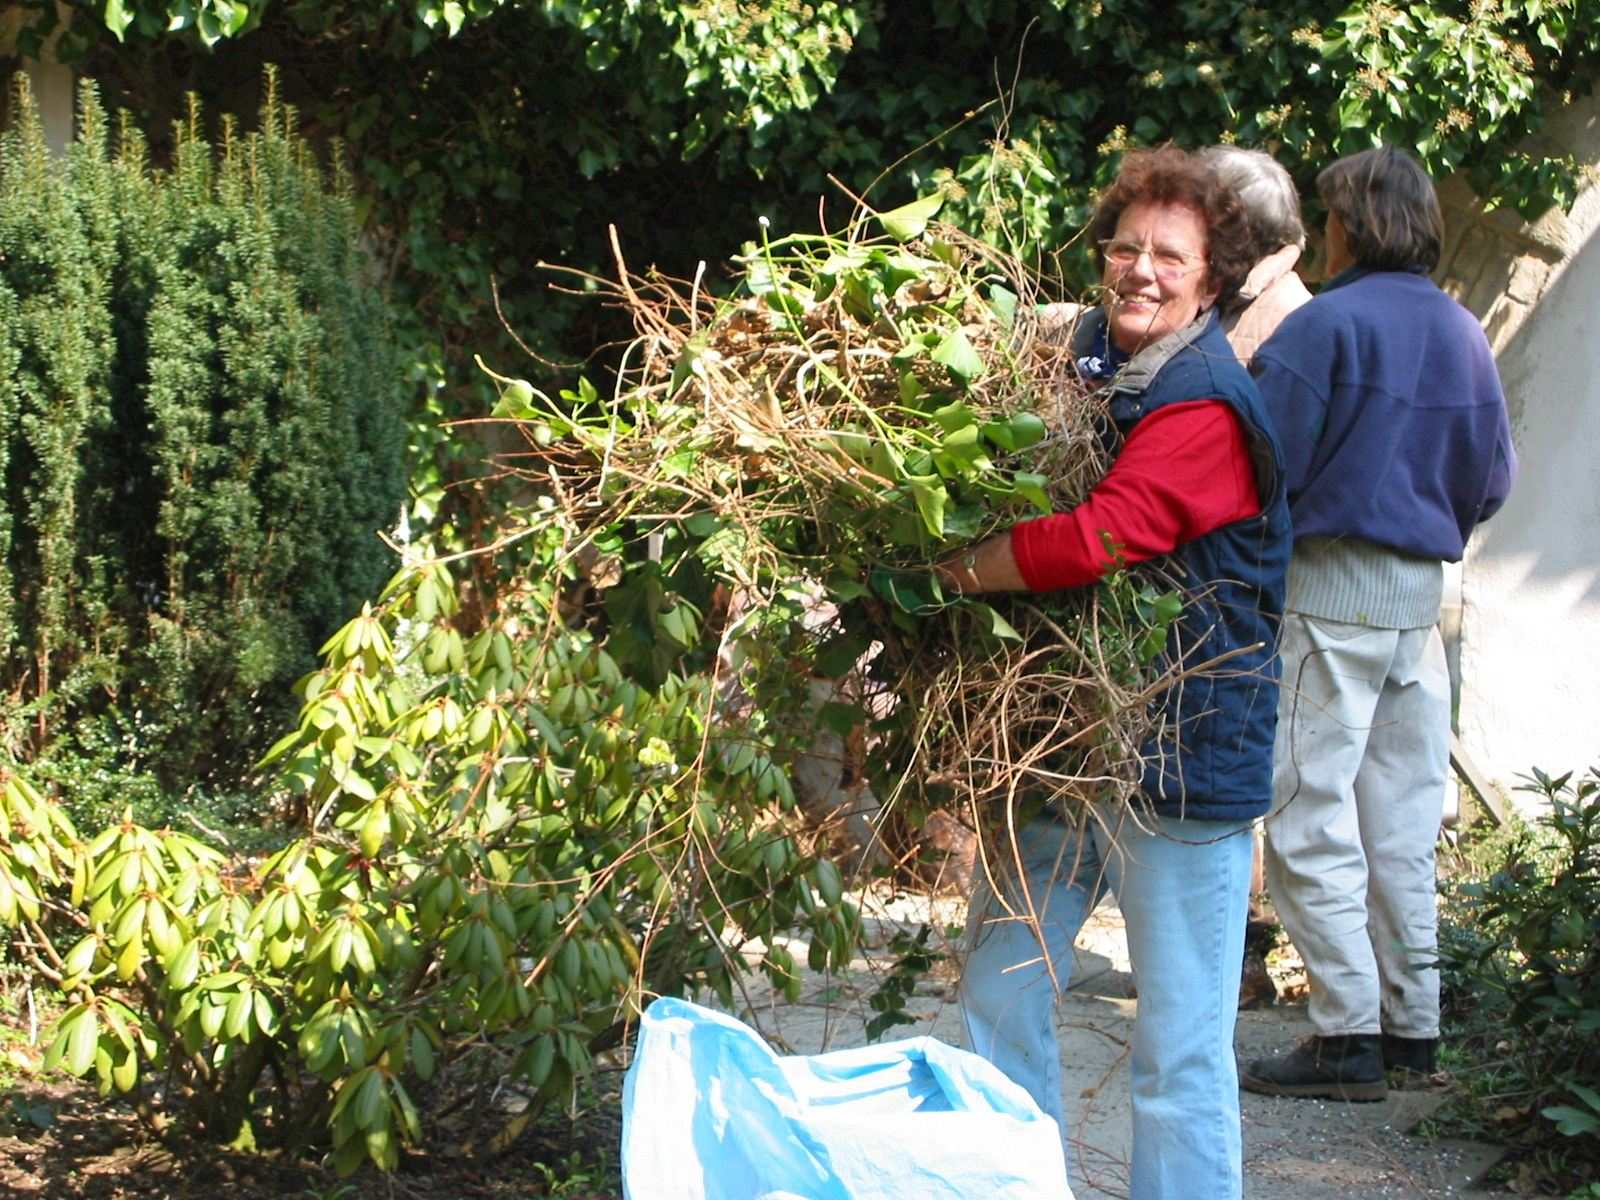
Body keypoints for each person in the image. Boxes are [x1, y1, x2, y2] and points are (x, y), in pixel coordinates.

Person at [938, 145, 1292, 1200]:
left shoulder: (1206, 406)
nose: (1140, 270)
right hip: (1065, 748)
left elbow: (1096, 538)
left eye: (1168, 256)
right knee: (999, 992)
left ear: (1212, 278)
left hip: (1183, 763)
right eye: (1125, 248)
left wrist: (950, 571)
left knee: (1177, 1053)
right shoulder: (1092, 360)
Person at [1240, 146, 1516, 1102]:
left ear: (1351, 225)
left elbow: (1259, 464)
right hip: (1419, 606)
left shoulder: (1328, 327)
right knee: (1398, 824)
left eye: (1330, 218)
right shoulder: (1464, 333)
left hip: (1328, 592)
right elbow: (1494, 486)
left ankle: (1344, 1033)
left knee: (1307, 813)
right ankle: (1413, 1031)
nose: (1325, 235)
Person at [1200, 144, 1313, 1008]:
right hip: (1220, 573)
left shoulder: (1283, 324)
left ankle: (1238, 957)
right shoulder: (1245, 305)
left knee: (1241, 765)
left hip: (1252, 583)